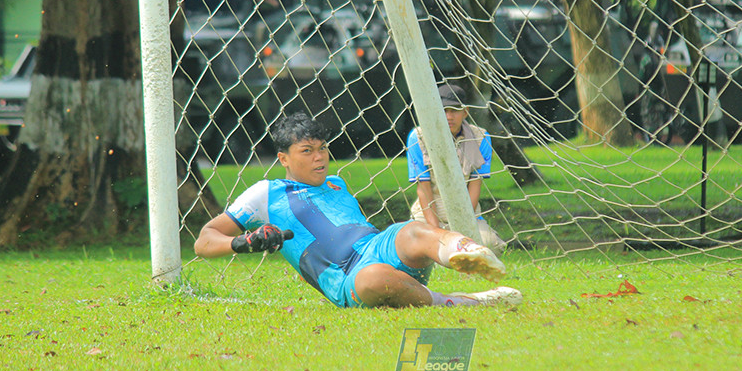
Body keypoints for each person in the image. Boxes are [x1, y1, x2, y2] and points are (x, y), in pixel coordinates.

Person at [194, 112, 522, 309]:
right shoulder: (267, 193)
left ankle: (470, 252)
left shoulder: (336, 182)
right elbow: (204, 240)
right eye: (306, 151)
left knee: (410, 230)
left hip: (378, 247)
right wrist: (240, 243)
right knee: (373, 279)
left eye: (322, 149)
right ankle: (463, 300)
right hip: (349, 279)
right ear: (283, 159)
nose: (319, 158)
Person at [406, 84, 506, 252]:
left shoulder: (481, 138)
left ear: (465, 111)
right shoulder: (418, 137)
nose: (449, 116)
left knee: (490, 245)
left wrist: (461, 227)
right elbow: (423, 190)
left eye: (455, 110)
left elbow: (475, 186)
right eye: (444, 111)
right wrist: (437, 233)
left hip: (467, 212)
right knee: (418, 250)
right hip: (428, 214)